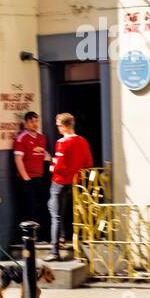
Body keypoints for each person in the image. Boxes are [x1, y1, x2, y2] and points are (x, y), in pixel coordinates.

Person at [47, 112, 92, 262]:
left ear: (65, 126)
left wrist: (52, 166)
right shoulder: (83, 141)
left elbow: (58, 165)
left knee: (56, 216)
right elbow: (88, 163)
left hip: (59, 181)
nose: (58, 129)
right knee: (61, 211)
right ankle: (62, 238)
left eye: (59, 126)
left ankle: (54, 251)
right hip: (73, 182)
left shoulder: (62, 142)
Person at [13, 111, 49, 237]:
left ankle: (41, 235)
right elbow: (18, 159)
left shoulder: (41, 138)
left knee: (41, 207)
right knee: (30, 208)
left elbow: (44, 154)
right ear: (26, 123)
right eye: (32, 121)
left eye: (36, 121)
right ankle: (31, 237)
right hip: (27, 179)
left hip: (40, 177)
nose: (35, 124)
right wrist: (26, 178)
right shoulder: (21, 138)